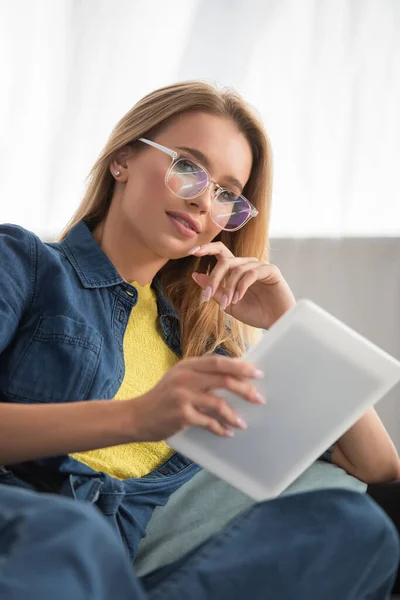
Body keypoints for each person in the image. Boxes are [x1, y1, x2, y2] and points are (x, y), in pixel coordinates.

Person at [1, 80, 399, 599]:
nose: (203, 201)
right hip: (41, 528)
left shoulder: (205, 347)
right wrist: (140, 417)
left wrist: (285, 315)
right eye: (188, 166)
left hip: (137, 560)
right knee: (76, 539)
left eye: (227, 193)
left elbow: (377, 467)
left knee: (359, 523)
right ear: (122, 159)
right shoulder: (26, 264)